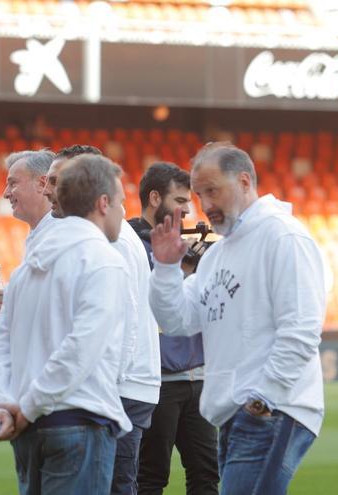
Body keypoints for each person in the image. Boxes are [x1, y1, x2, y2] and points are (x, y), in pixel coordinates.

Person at [149, 142, 325, 495]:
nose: (205, 205)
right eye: (199, 194)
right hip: (238, 411)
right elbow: (179, 320)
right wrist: (167, 268)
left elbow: (303, 328)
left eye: (212, 190)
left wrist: (263, 399)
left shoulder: (283, 236)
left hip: (269, 408)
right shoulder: (220, 253)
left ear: (245, 181)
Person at [0, 154, 132, 494]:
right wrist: (27, 407)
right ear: (103, 203)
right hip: (78, 420)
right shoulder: (103, 260)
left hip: (30, 428)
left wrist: (1, 404)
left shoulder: (27, 266)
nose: (123, 212)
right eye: (121, 201)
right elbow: (81, 348)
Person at [43, 145, 161, 495]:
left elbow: (125, 323)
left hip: (118, 389)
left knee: (110, 486)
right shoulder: (94, 237)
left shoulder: (113, 241)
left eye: (55, 181)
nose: (48, 189)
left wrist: (106, 386)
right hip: (117, 386)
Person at [130, 162, 219, 495]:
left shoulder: (189, 244)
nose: (187, 208)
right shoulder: (131, 243)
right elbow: (144, 302)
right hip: (158, 380)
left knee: (207, 475)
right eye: (180, 199)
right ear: (155, 198)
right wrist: (181, 269)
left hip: (198, 376)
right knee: (151, 477)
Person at [0, 150, 54, 324]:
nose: (6, 193)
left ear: (42, 184)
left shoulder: (62, 235)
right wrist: (4, 312)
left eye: (13, 184)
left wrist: (11, 304)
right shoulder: (37, 235)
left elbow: (62, 306)